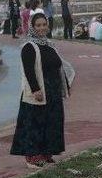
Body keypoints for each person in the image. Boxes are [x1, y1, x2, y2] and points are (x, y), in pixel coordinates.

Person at [10, 13, 69, 168]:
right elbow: (29, 71)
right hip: (38, 93)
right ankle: (32, 156)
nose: (42, 28)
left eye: (44, 25)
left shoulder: (49, 45)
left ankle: (46, 153)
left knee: (51, 123)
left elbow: (58, 67)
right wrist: (36, 89)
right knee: (35, 124)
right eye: (38, 25)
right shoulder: (29, 47)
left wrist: (64, 87)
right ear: (32, 27)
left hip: (53, 92)